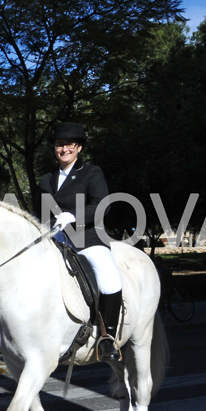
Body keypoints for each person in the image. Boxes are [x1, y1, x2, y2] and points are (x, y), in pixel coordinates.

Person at [38, 122, 123, 361]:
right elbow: (43, 213)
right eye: (58, 145)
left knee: (109, 279)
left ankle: (108, 338)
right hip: (54, 238)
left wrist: (73, 216)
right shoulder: (46, 179)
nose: (63, 149)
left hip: (87, 237)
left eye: (68, 145)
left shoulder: (91, 172)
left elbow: (101, 204)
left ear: (78, 147)